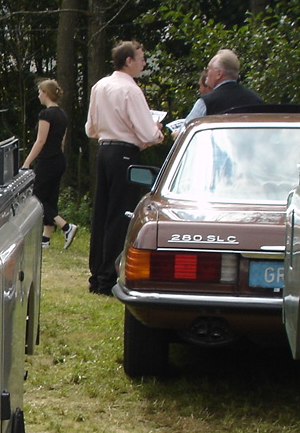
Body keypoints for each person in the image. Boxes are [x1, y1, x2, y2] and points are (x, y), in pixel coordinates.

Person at [85, 41, 166, 295]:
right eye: (141, 58)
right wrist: (157, 130)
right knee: (120, 215)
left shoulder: (100, 86)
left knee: (102, 213)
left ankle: (97, 274)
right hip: (124, 154)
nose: (143, 63)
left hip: (104, 150)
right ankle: (108, 277)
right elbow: (147, 131)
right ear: (128, 60)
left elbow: (91, 128)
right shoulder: (131, 91)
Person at [22, 79, 77, 249]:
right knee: (50, 198)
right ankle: (45, 239)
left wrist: (26, 163)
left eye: (40, 92)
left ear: (45, 93)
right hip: (59, 160)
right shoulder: (62, 115)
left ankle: (66, 227)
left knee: (37, 199)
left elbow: (40, 141)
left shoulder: (46, 115)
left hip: (47, 161)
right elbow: (62, 142)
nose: (38, 95)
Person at [183, 49, 262, 122]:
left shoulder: (206, 102)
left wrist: (176, 133)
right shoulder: (256, 100)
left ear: (219, 74)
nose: (206, 72)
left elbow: (185, 130)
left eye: (209, 68)